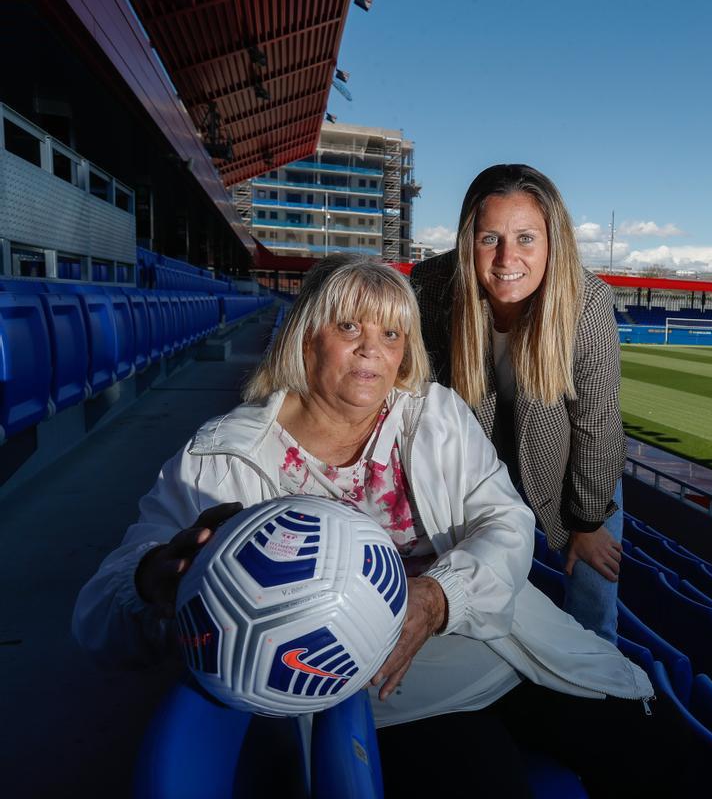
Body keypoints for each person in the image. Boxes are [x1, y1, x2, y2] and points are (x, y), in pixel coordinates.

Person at [72, 256, 658, 797]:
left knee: (649, 745)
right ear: (306, 338)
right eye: (350, 327)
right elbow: (99, 616)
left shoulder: (435, 415)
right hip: (381, 698)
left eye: (391, 334)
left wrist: (437, 598)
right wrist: (158, 578)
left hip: (502, 640)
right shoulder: (222, 458)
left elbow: (507, 522)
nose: (372, 350)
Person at [410, 164, 625, 643]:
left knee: (594, 609)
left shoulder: (586, 303)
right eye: (490, 238)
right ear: (469, 240)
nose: (508, 257)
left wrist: (587, 522)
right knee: (485, 599)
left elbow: (599, 422)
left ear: (553, 241)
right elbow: (415, 399)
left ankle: (597, 697)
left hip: (574, 462)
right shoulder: (431, 287)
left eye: (526, 238)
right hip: (474, 463)